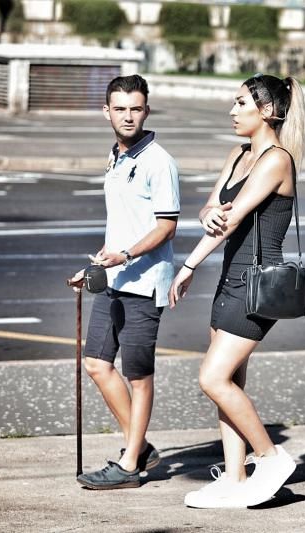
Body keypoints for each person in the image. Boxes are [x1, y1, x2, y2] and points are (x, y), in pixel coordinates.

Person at [167, 73, 305, 509]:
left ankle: (271, 457)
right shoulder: (238, 154)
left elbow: (231, 221)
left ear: (267, 111)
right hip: (231, 279)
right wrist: (207, 211)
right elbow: (215, 208)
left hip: (257, 285)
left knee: (212, 377)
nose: (232, 110)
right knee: (229, 379)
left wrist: (187, 264)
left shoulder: (276, 160)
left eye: (241, 102)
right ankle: (234, 476)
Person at [68, 74, 180, 490]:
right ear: (107, 112)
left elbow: (167, 227)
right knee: (97, 364)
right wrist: (97, 265)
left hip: (143, 282)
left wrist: (127, 255)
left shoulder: (158, 161)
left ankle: (130, 463)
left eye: (136, 108)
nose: (128, 116)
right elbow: (121, 225)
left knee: (138, 375)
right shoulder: (115, 156)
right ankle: (141, 447)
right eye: (120, 109)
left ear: (146, 110)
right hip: (113, 277)